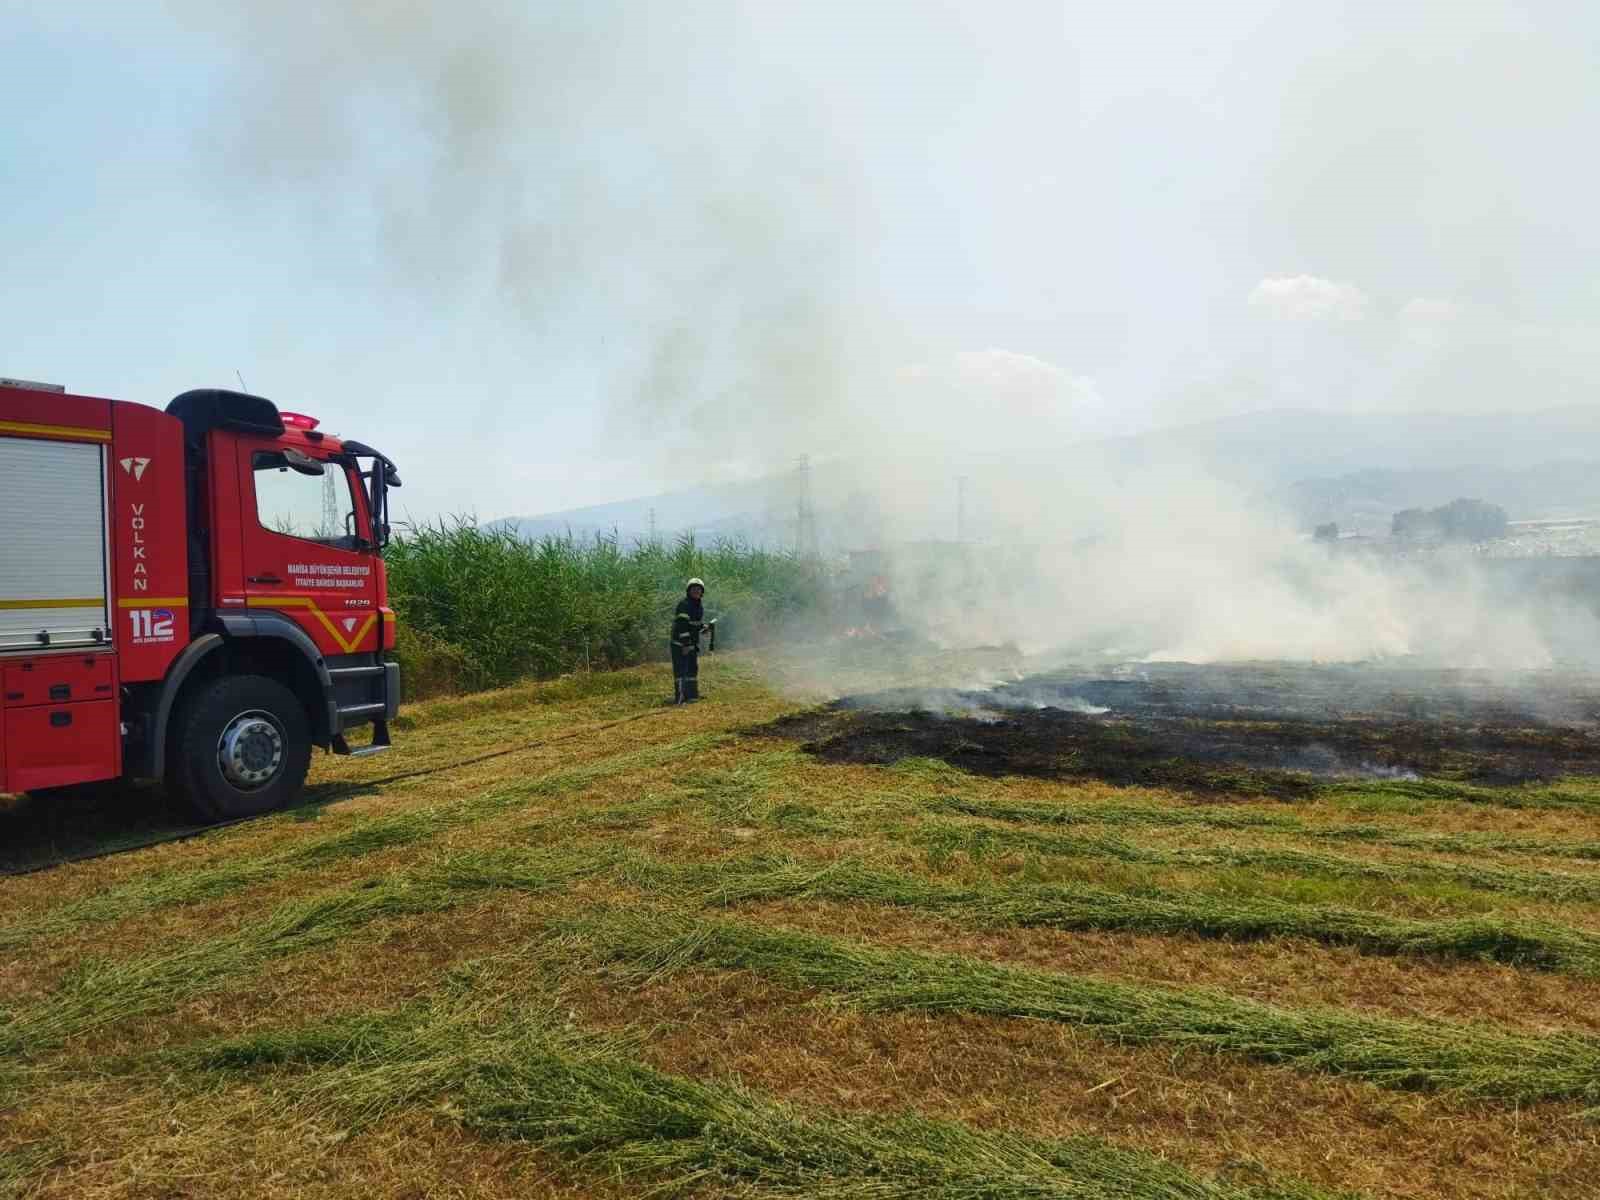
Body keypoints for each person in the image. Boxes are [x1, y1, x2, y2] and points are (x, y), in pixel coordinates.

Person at [670, 577, 707, 703]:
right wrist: (685, 645)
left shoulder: (698, 605)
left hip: (691, 644)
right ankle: (680, 698)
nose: (696, 591)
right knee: (681, 671)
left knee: (692, 670)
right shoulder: (684, 605)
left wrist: (704, 627)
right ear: (688, 591)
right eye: (694, 589)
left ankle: (692, 696)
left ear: (702, 592)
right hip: (680, 645)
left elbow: (695, 624)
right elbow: (682, 626)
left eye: (698, 589)